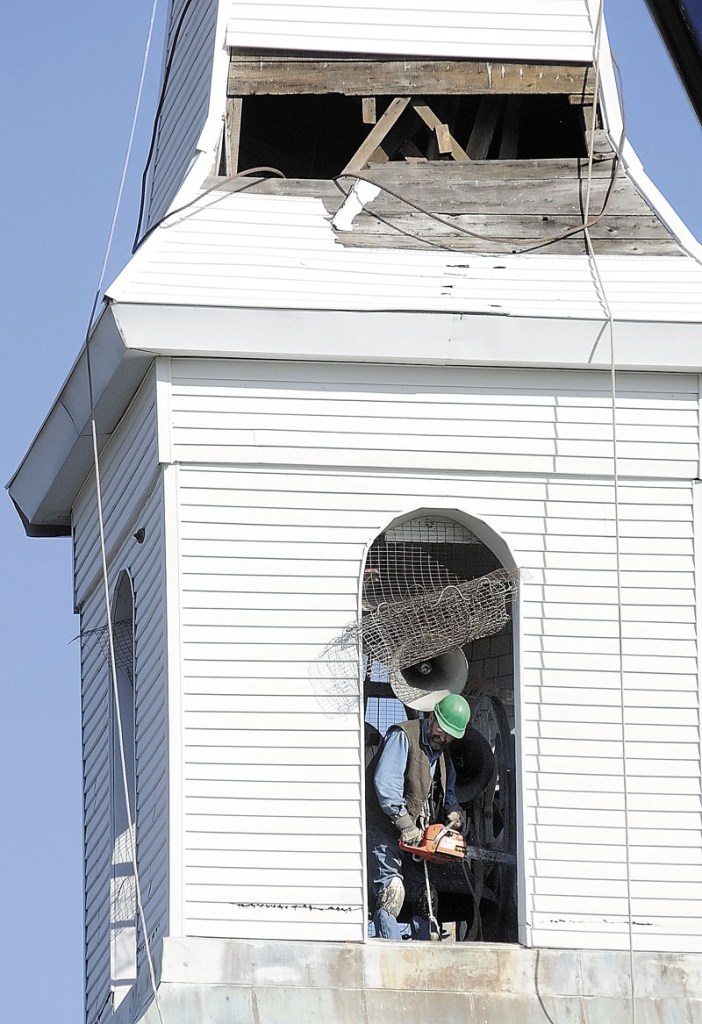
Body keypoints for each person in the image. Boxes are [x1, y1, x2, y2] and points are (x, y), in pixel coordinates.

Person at [366, 692, 471, 940]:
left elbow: (449, 793)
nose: (443, 737)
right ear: (432, 717)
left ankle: (423, 952)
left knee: (426, 896)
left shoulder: (442, 757)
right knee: (392, 892)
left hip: (417, 838)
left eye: (450, 735)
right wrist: (405, 824)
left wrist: (454, 811)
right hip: (386, 830)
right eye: (441, 729)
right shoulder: (403, 736)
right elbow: (386, 786)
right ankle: (390, 955)